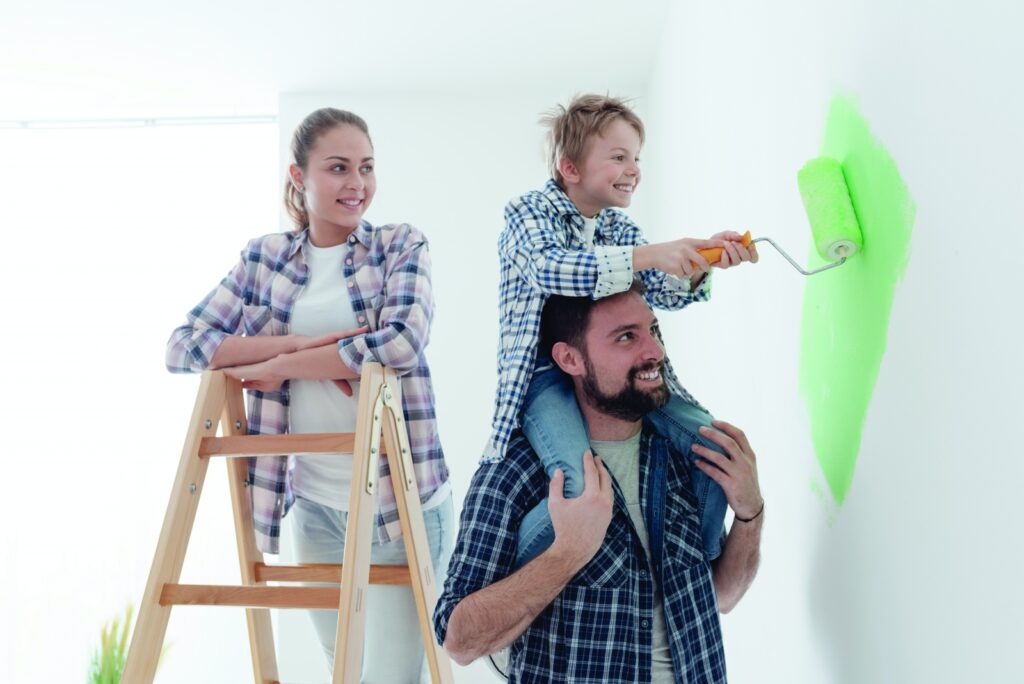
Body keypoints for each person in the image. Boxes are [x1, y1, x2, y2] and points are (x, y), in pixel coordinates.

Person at [165, 107, 453, 682]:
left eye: (367, 168)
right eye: (339, 168)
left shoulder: (400, 245)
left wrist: (286, 364)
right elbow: (184, 346)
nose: (357, 184)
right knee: (341, 667)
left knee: (389, 677)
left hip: (397, 500)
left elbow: (400, 343)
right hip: (315, 504)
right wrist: (293, 345)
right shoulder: (262, 259)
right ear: (299, 175)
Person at [437, 281, 764, 682]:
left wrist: (750, 514)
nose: (655, 352)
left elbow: (721, 598)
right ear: (570, 358)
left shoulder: (684, 456)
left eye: (654, 331)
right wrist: (567, 554)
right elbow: (459, 640)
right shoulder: (517, 468)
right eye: (626, 337)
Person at [486, 94, 758, 571]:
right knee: (577, 483)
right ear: (570, 168)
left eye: (636, 158)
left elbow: (664, 292)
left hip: (613, 368)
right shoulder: (527, 212)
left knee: (716, 446)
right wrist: (654, 254)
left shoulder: (619, 227)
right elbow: (552, 270)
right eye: (618, 157)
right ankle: (512, 573)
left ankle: (700, 568)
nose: (633, 168)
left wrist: (703, 263)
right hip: (544, 375)